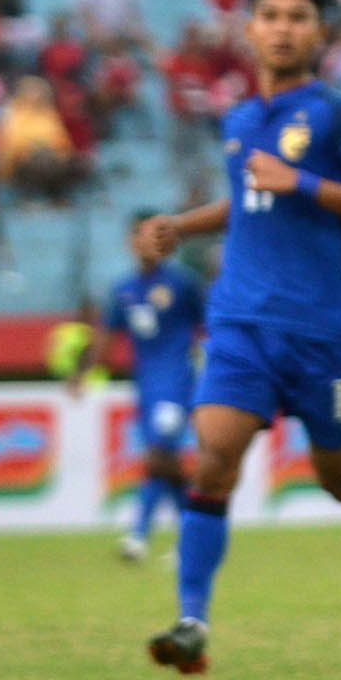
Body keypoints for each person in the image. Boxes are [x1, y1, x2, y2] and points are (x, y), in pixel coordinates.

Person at [133, 0, 341, 675]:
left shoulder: (339, 116)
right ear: (249, 29)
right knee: (214, 457)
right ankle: (191, 621)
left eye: (298, 17)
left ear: (319, 31)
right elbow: (250, 202)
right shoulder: (242, 119)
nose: (282, 29)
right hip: (240, 323)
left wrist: (300, 181)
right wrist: (182, 226)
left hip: (318, 332)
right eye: (270, 16)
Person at [103, 211, 206, 563]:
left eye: (155, 234)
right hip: (146, 387)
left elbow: (209, 323)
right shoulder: (124, 289)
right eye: (141, 235)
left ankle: (138, 535)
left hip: (177, 382)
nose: (148, 242)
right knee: (166, 462)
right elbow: (108, 333)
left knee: (158, 454)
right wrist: (83, 372)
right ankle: (191, 537)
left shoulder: (183, 282)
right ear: (131, 242)